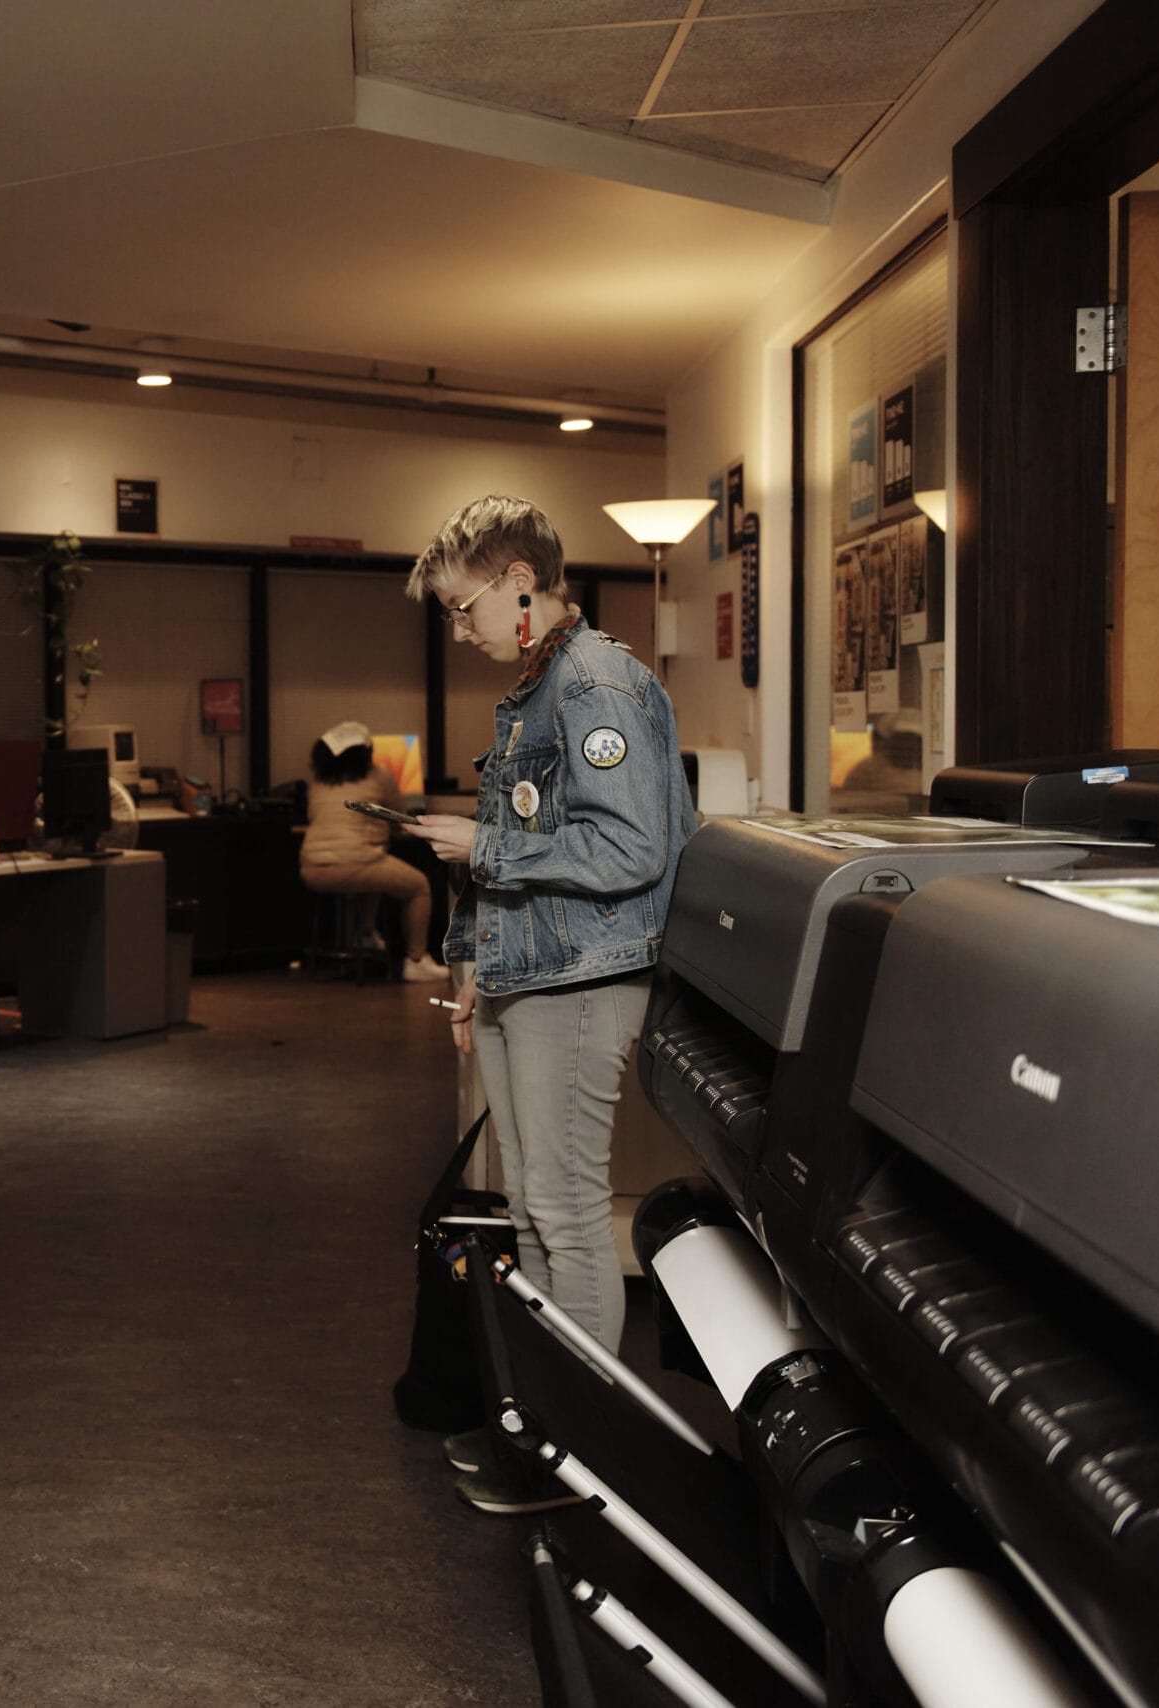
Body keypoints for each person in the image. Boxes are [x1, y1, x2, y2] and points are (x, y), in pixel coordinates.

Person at [399, 495, 694, 1511]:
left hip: (581, 982)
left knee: (564, 1215)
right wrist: (472, 960)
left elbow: (631, 849)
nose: (459, 626)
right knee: (533, 1211)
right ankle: (551, 1436)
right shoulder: (539, 686)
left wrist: (474, 845)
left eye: (462, 605)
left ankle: (583, 1456)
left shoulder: (594, 681)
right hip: (531, 974)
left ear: (520, 580)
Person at [299, 720, 440, 981]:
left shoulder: (317, 782)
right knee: (418, 886)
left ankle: (364, 934)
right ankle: (417, 960)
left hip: (312, 868)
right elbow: (398, 816)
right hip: (356, 862)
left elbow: (312, 815)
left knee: (377, 869)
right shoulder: (379, 776)